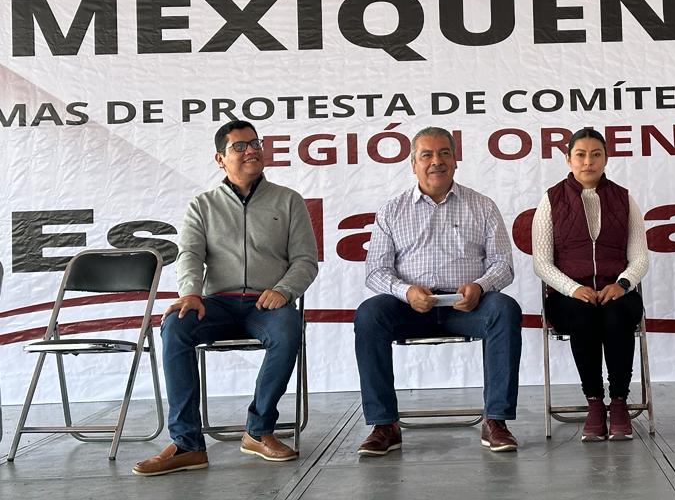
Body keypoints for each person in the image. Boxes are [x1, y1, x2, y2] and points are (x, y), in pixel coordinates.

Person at [134, 120, 319, 476]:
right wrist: (190, 293)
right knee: (175, 326)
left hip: (267, 303)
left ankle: (259, 430)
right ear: (220, 159)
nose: (251, 151)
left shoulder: (288, 200)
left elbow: (305, 261)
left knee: (288, 330)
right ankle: (187, 444)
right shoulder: (202, 205)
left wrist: (283, 290)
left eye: (255, 143)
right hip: (216, 303)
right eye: (240, 146)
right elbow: (189, 255)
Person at [354, 126, 522, 455]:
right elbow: (375, 271)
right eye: (427, 155)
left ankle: (496, 420)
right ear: (413, 163)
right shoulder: (392, 210)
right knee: (369, 314)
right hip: (411, 308)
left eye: (445, 153)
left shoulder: (482, 206)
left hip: (467, 307)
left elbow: (503, 264)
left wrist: (480, 286)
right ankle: (384, 425)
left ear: (456, 160)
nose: (437, 161)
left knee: (504, 308)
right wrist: (405, 292)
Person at [532, 128, 650, 441]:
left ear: (606, 158)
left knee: (616, 315)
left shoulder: (624, 198)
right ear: (568, 159)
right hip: (568, 295)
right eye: (581, 155)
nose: (588, 162)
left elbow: (640, 258)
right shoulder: (551, 200)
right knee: (583, 316)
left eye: (596, 155)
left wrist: (623, 283)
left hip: (617, 291)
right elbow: (541, 263)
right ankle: (595, 403)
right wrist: (573, 289)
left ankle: (620, 401)